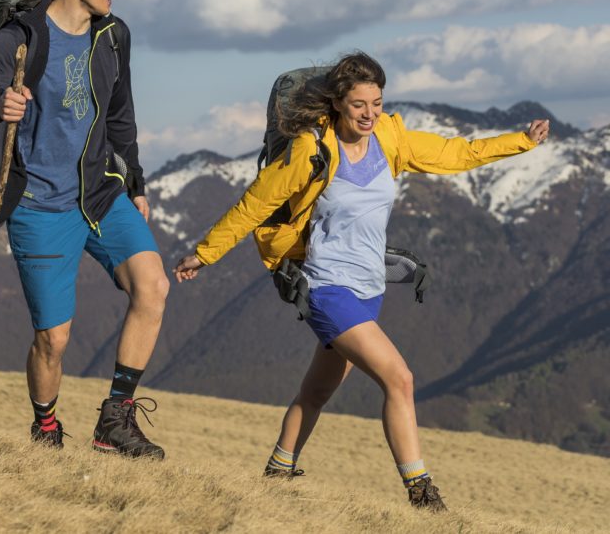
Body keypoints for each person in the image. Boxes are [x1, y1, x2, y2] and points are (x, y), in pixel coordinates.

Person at [173, 52, 549, 509]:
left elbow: (455, 153)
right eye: (358, 104)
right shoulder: (310, 150)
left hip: (370, 288)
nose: (369, 113)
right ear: (337, 104)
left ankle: (276, 473)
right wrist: (205, 253)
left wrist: (520, 142)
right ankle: (421, 492)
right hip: (327, 286)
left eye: (376, 102)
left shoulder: (390, 138)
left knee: (316, 392)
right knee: (400, 379)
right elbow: (255, 204)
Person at [0, 0, 169, 458]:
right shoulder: (20, 36)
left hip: (100, 194)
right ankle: (45, 427)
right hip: (39, 207)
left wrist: (135, 182)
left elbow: (121, 117)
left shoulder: (113, 37)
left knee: (153, 287)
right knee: (54, 340)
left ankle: (115, 421)